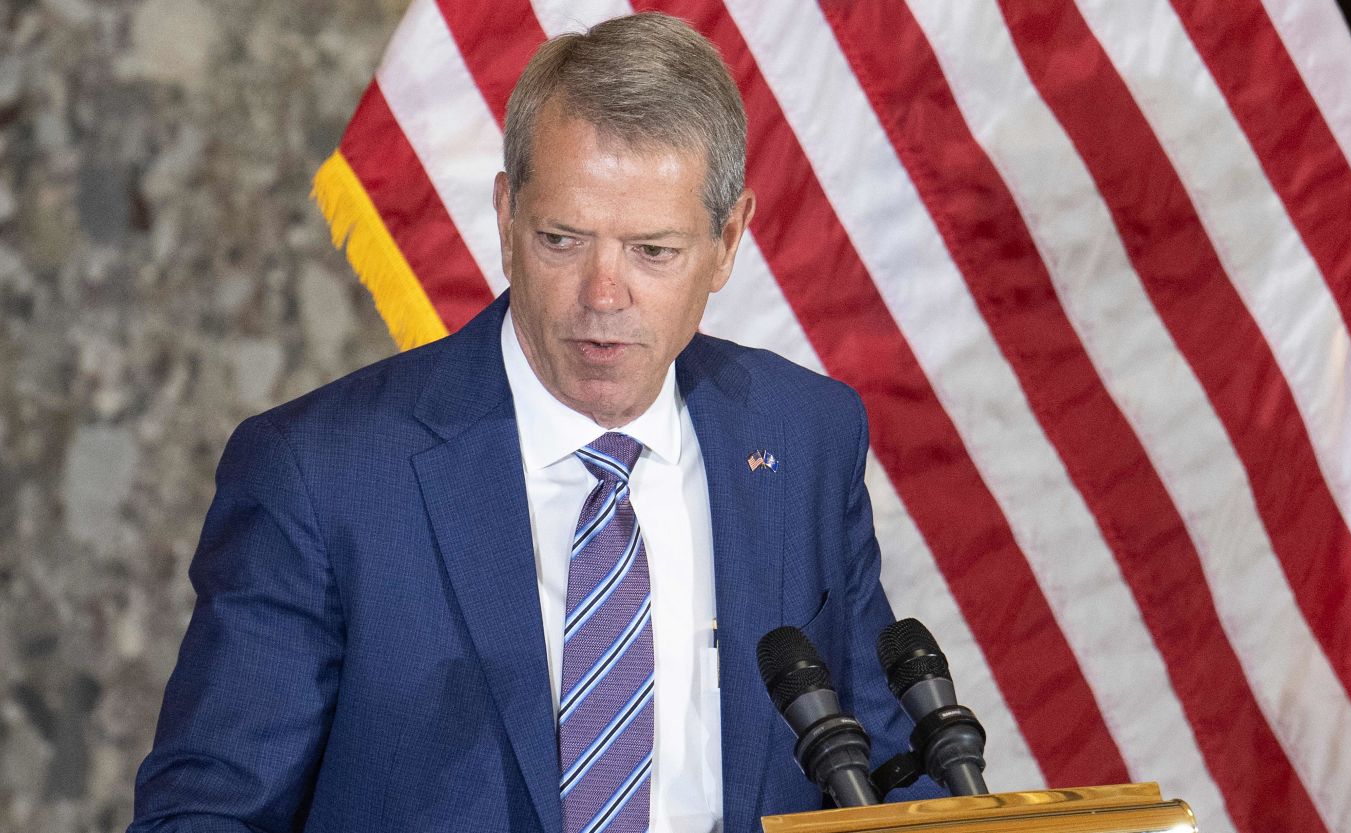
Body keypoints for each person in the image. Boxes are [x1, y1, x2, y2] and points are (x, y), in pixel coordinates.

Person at [130, 12, 937, 833]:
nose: (603, 294)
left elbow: (888, 770)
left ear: (727, 241)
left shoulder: (803, 437)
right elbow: (202, 816)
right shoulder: (321, 473)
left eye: (652, 251)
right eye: (562, 239)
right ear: (507, 217)